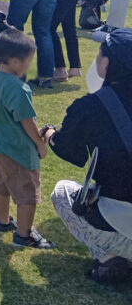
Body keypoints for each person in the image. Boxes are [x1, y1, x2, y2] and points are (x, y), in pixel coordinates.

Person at [47, 29, 132, 283]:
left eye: (100, 53)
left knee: (63, 192)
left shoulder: (91, 106)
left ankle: (108, 257)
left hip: (123, 213)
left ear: (107, 63)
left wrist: (50, 134)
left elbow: (70, 151)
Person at [0, 28, 56, 250]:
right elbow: (27, 121)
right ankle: (24, 235)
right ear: (15, 61)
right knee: (28, 196)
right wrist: (40, 144)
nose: (29, 67)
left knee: (3, 185)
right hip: (19, 151)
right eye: (28, 62)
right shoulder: (19, 88)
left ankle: (2, 222)